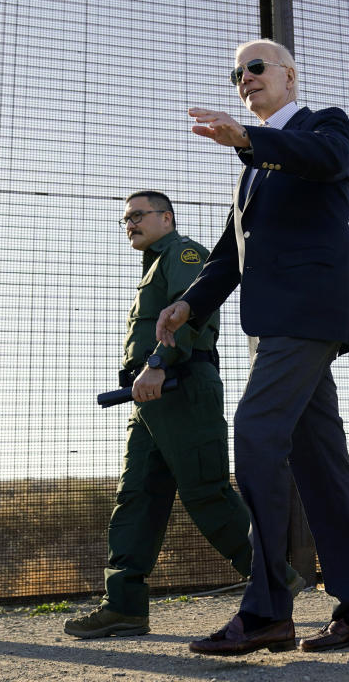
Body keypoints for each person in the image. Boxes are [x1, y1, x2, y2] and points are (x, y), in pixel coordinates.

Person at [155, 39, 349, 655]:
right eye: (237, 74)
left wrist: (246, 141)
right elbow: (229, 255)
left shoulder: (321, 127)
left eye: (255, 68)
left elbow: (322, 159)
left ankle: (266, 611)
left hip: (307, 318)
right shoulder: (252, 174)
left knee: (256, 434)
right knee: (322, 465)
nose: (245, 79)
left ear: (289, 75)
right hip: (277, 325)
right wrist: (189, 304)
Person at [64, 191, 274, 639]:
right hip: (149, 396)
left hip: (180, 385)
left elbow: (189, 313)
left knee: (207, 494)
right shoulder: (154, 265)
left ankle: (277, 584)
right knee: (137, 497)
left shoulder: (183, 252)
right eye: (125, 219)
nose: (130, 225)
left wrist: (158, 363)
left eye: (138, 216)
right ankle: (123, 607)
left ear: (166, 217)